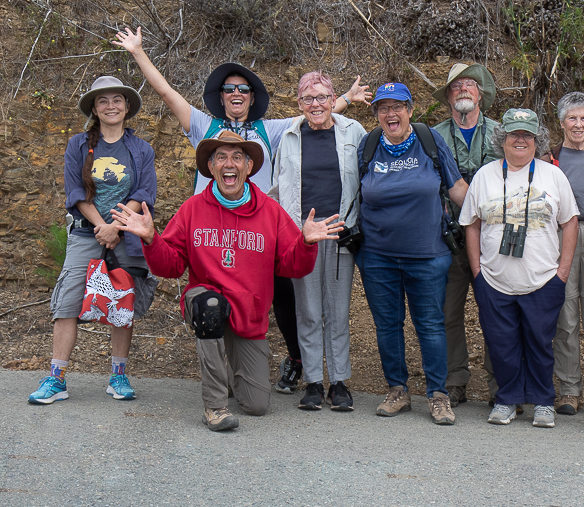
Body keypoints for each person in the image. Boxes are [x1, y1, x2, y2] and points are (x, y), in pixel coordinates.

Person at [113, 27, 371, 395]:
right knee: (216, 301)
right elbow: (167, 94)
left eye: (243, 89)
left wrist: (344, 97)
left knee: (282, 301)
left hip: (260, 231)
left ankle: (296, 362)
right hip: (212, 231)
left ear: (252, 97)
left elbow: (315, 114)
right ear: (221, 97)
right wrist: (138, 52)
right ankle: (231, 377)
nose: (236, 94)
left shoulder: (270, 130)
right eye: (230, 89)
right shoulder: (205, 125)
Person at [111, 131, 343, 431]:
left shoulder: (270, 212)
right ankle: (215, 406)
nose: (228, 163)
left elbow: (291, 267)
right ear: (211, 167)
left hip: (248, 313)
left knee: (257, 405)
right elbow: (172, 266)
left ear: (248, 167)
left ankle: (232, 371)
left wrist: (306, 244)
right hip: (207, 301)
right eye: (221, 157)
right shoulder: (193, 208)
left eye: (236, 157)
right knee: (209, 306)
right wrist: (152, 239)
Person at [29, 76, 157, 404]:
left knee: (121, 302)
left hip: (125, 235)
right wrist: (102, 225)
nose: (111, 106)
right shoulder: (78, 145)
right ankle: (57, 378)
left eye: (117, 100)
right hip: (87, 233)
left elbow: (144, 192)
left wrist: (116, 227)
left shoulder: (141, 149)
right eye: (103, 101)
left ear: (127, 107)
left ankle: (118, 376)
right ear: (94, 108)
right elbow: (75, 192)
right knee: (67, 303)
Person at [357, 83, 468, 425]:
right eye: (382, 108)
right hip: (378, 256)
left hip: (428, 254)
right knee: (387, 326)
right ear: (376, 113)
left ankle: (438, 395)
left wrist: (494, 210)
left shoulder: (430, 141)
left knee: (431, 326)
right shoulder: (369, 145)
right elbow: (354, 192)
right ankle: (397, 390)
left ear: (410, 109)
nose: (390, 114)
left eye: (397, 107)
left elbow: (458, 189)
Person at [459, 108, 579, 428]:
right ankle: (507, 399)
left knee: (540, 343)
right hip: (494, 279)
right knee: (501, 343)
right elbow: (471, 224)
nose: (521, 140)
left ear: (537, 140)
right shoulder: (485, 175)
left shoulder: (553, 175)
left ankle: (543, 401)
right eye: (515, 134)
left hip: (542, 279)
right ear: (503, 139)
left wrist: (562, 273)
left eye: (528, 134)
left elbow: (570, 222)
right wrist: (477, 273)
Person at [268, 71, 366, 411]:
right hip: (303, 236)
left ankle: (338, 382)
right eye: (308, 99)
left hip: (340, 233)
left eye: (323, 97)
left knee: (337, 312)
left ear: (333, 98)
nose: (316, 104)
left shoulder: (353, 131)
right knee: (308, 311)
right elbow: (277, 190)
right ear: (299, 104)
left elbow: (367, 179)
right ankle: (312, 382)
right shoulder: (290, 138)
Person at [431, 63, 502, 407]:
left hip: (495, 240)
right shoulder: (431, 136)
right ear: (448, 96)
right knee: (447, 312)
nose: (463, 90)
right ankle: (454, 380)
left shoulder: (504, 135)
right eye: (456, 85)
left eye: (470, 84)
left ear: (481, 94)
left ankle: (501, 384)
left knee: (497, 311)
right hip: (446, 239)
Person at [543, 92, 584, 416]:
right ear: (561, 122)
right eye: (572, 118)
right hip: (559, 238)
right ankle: (569, 391)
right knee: (565, 318)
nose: (578, 124)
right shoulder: (550, 159)